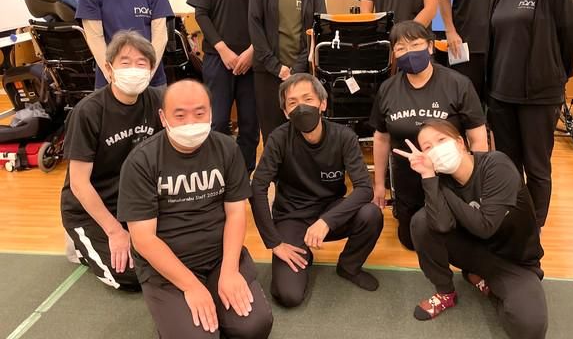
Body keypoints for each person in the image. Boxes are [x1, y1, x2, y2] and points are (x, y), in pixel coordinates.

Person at [117, 80, 273, 339]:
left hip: (218, 258)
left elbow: (236, 213)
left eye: (200, 113)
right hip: (167, 269)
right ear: (163, 118)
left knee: (254, 327)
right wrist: (191, 286)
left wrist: (229, 270)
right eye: (180, 115)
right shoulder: (141, 161)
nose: (191, 122)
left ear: (211, 113)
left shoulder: (227, 148)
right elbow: (143, 239)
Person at [394, 119, 547, 339]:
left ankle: (489, 284)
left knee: (530, 328)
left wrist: (438, 187)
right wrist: (428, 176)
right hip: (474, 252)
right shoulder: (439, 180)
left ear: (460, 143)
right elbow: (440, 225)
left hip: (515, 261)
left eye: (441, 140)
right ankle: (446, 292)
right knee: (421, 221)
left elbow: (485, 227)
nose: (436, 149)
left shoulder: (497, 165)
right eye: (427, 147)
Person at [251, 73, 383, 307]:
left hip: (329, 212)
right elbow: (257, 188)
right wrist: (274, 242)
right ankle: (303, 251)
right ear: (285, 112)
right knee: (289, 296)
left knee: (371, 214)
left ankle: (349, 266)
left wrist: (327, 220)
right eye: (292, 103)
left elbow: (365, 189)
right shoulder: (278, 139)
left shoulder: (344, 137)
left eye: (308, 99)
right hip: (291, 216)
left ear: (322, 103)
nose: (301, 107)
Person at [488, 0, 573, 227]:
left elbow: (570, 37)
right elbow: (495, 40)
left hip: (539, 95)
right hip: (502, 93)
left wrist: (556, 75)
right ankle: (514, 222)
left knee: (537, 168)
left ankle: (533, 227)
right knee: (508, 166)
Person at [370, 21, 487, 250]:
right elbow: (381, 138)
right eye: (401, 48)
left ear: (430, 46)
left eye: (415, 45)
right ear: (394, 54)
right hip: (408, 181)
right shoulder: (387, 89)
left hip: (451, 179)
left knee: (454, 240)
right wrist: (379, 184)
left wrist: (477, 182)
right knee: (411, 241)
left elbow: (478, 136)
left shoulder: (458, 84)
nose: (409, 52)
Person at [60, 31, 163, 290]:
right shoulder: (88, 112)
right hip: (93, 209)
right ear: (109, 69)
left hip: (137, 203)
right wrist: (115, 231)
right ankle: (81, 243)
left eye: (141, 63)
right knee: (131, 276)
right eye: (125, 63)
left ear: (151, 70)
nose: (134, 70)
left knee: (182, 252)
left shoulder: (158, 102)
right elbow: (79, 184)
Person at [187, 0, 265, 172]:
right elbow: (201, 14)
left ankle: (244, 173)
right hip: (217, 59)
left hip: (253, 62)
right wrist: (223, 49)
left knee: (250, 123)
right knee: (217, 121)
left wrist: (252, 51)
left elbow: (270, 19)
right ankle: (218, 173)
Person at [248, 0, 326, 142]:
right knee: (273, 134)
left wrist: (297, 67)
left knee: (305, 130)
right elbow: (255, 26)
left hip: (303, 70)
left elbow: (318, 28)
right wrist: (276, 67)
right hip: (267, 72)